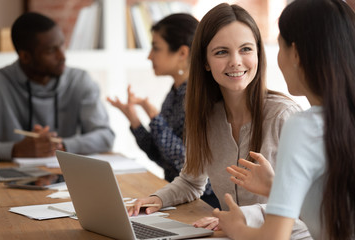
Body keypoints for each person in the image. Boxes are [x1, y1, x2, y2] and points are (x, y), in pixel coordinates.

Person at [127, 3, 311, 239]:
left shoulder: (284, 116)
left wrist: (241, 217)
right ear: (204, 61)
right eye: (221, 52)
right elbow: (192, 182)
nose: (236, 61)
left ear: (258, 53)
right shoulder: (204, 116)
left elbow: (306, 205)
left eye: (245, 49)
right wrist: (157, 199)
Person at [214, 0, 355, 239]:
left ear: (296, 53)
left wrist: (234, 226)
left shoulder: (303, 125)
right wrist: (276, 186)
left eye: (279, 47)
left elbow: (273, 237)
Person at [107, 13, 220, 208]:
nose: (149, 56)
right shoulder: (175, 93)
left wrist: (154, 117)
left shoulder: (201, 98)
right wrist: (134, 120)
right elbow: (160, 156)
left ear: (182, 53)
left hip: (203, 203)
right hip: (176, 196)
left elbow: (185, 163)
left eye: (156, 48)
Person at [0, 12, 115, 160]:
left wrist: (60, 146)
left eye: (62, 45)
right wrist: (15, 150)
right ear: (25, 57)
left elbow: (105, 136)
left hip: (65, 178)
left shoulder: (79, 80)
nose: (62, 56)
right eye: (51, 50)